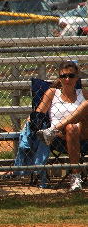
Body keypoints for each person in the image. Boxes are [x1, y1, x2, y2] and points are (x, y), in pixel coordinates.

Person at [36, 61, 88, 191]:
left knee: (86, 105)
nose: (67, 79)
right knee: (71, 128)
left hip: (83, 132)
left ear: (77, 78)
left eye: (71, 76)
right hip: (59, 137)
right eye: (63, 76)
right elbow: (38, 114)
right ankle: (75, 177)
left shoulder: (84, 93)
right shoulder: (52, 93)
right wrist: (30, 121)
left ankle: (53, 130)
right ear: (59, 78)